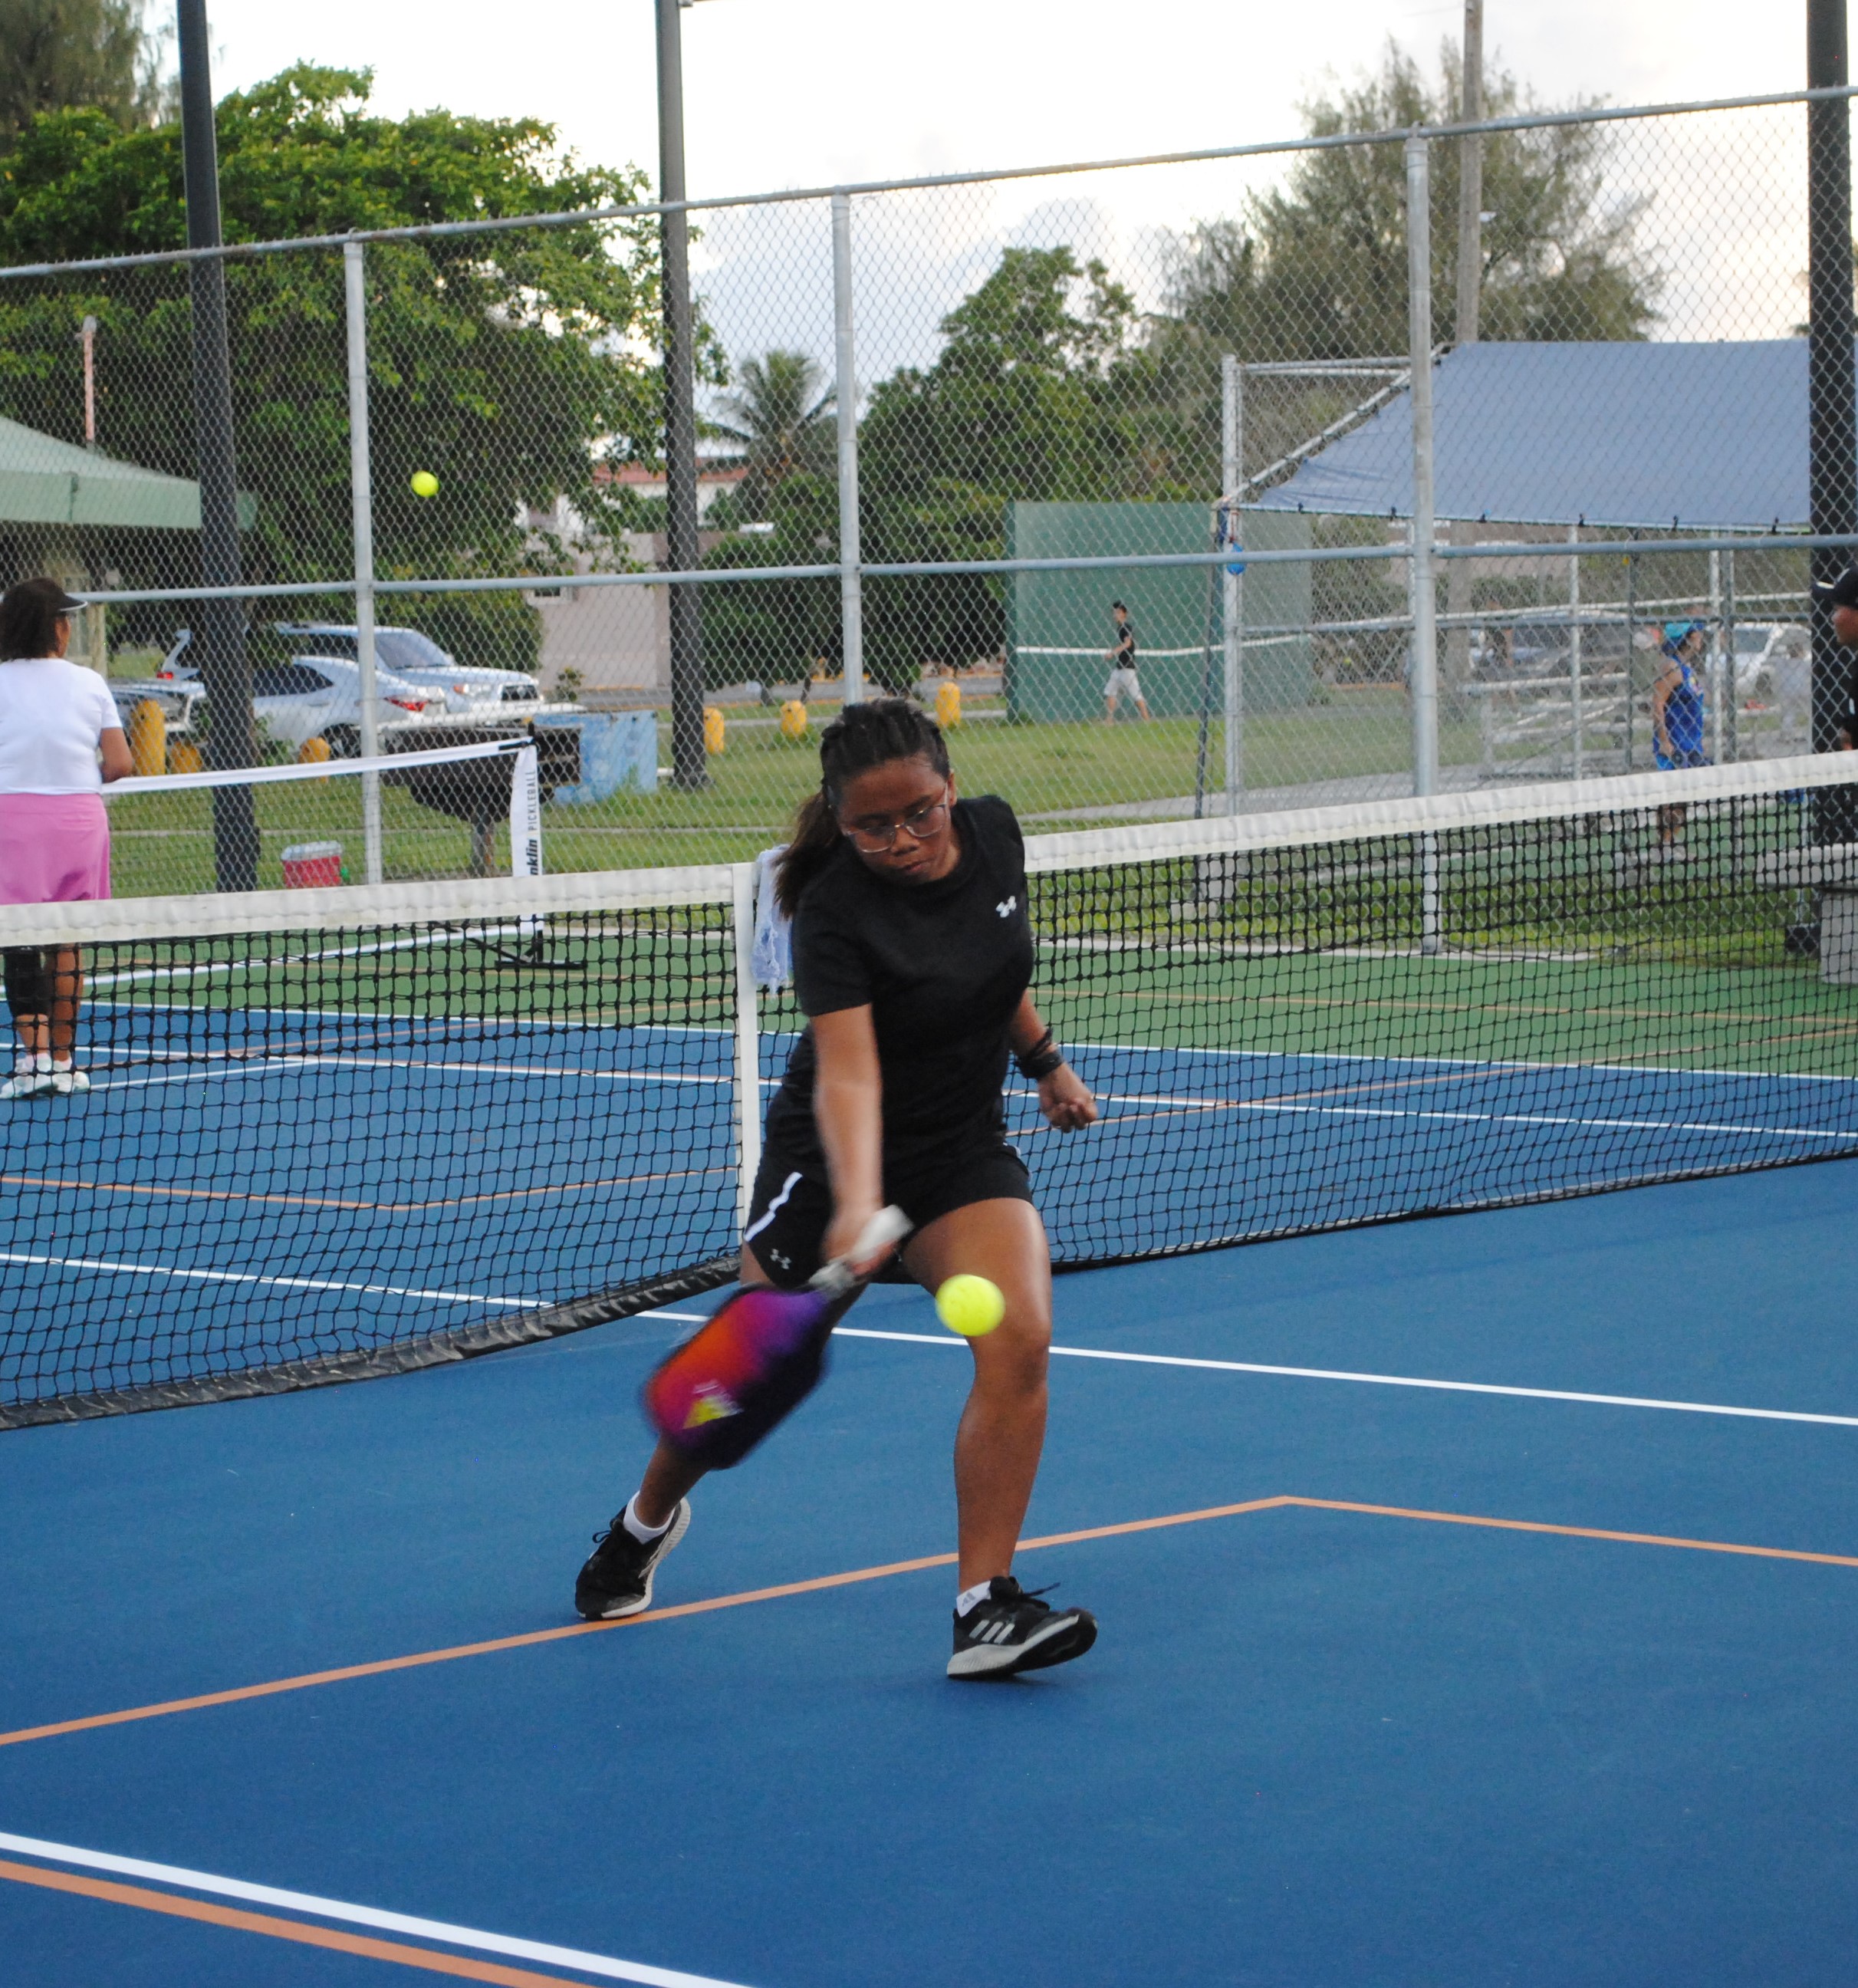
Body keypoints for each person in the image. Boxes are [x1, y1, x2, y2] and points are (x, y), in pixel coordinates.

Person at [575, 698, 1104, 1680]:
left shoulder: (994, 835)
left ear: (950, 789)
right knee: (742, 1383)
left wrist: (1043, 1064)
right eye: (873, 825)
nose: (902, 838)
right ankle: (643, 1523)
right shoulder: (833, 914)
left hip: (958, 1151)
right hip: (828, 1168)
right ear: (838, 815)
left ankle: (982, 1607)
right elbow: (849, 1071)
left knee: (1020, 1334)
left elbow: (994, 970)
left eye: (921, 813)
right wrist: (859, 1199)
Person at [0, 577, 132, 1100]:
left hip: (11, 820)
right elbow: (121, 762)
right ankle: (63, 1061)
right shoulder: (90, 682)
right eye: (66, 618)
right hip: (80, 821)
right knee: (66, 940)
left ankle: (31, 1063)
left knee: (17, 942)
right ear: (55, 628)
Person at [1649, 619, 1710, 854]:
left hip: (1690, 741)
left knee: (1684, 796)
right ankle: (1664, 843)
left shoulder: (1688, 669)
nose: (1700, 639)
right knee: (1671, 795)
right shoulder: (1671, 668)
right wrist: (1664, 740)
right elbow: (1658, 702)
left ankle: (1670, 841)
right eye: (1696, 635)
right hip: (1674, 743)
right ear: (1686, 639)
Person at [1103, 601, 1149, 722]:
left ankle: (1147, 721)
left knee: (1136, 695)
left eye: (1118, 613)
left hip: (1127, 668)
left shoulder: (1126, 627)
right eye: (1114, 613)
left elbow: (1128, 643)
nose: (1115, 615)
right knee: (1110, 691)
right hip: (1120, 667)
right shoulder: (1120, 628)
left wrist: (1113, 653)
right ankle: (1109, 721)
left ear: (1125, 614)